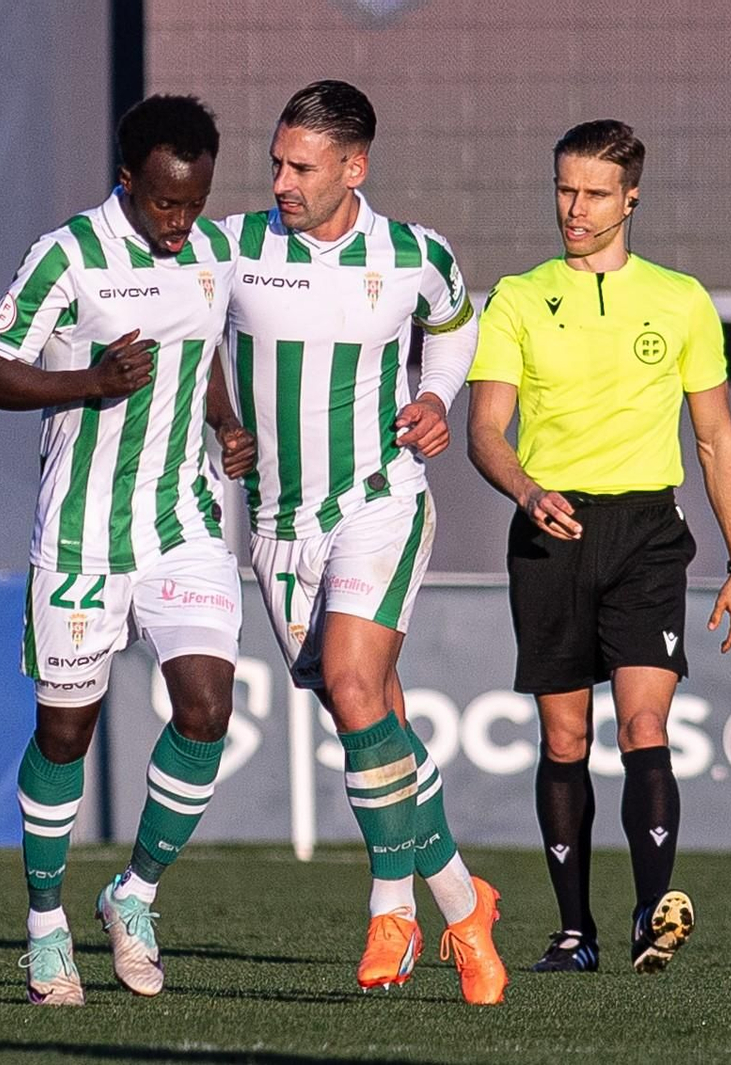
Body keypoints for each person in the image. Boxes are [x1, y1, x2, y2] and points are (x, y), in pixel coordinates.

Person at [216, 79, 506, 1005]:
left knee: (351, 682)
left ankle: (392, 908)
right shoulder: (232, 246)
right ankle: (464, 899)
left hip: (380, 502)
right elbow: (184, 339)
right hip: (277, 525)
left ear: (354, 167)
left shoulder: (414, 253)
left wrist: (436, 398)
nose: (282, 182)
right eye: (276, 162)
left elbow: (455, 327)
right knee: (370, 714)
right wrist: (217, 422)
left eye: (302, 167)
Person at [0, 94, 253, 1006]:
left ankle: (134, 894)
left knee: (206, 708)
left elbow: (202, 346)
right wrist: (88, 380)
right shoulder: (67, 255)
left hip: (182, 524)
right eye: (165, 203)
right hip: (82, 535)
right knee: (66, 734)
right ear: (127, 181)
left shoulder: (210, 252)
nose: (181, 223)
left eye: (195, 203)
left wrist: (225, 421)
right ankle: (45, 926)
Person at [466, 119, 731, 975]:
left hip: (646, 534)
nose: (576, 208)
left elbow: (716, 438)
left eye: (595, 193)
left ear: (631, 198)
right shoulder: (518, 298)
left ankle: (649, 915)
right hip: (550, 531)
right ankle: (573, 932)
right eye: (565, 189)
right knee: (564, 738)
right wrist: (527, 490)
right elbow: (485, 431)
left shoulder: (681, 299)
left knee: (643, 724)